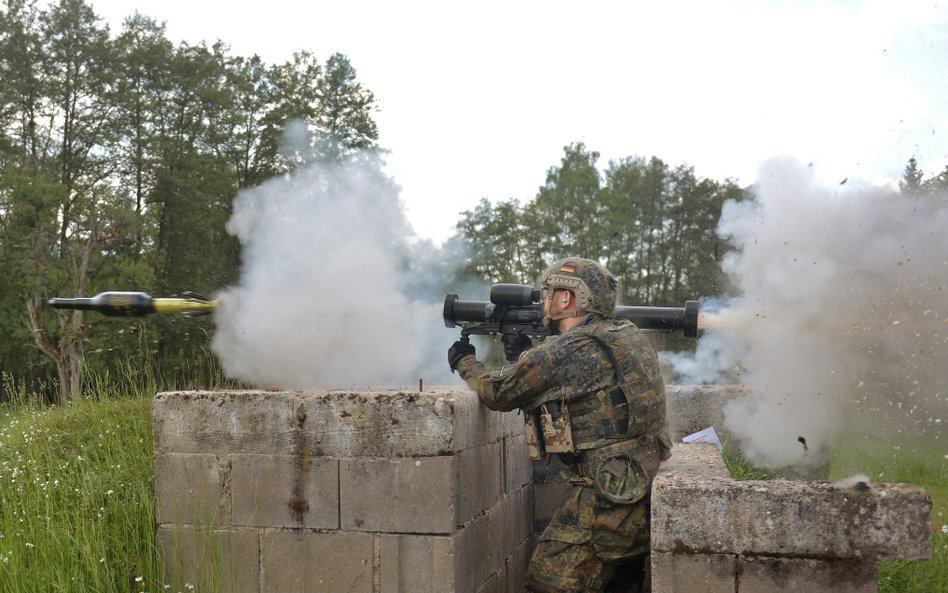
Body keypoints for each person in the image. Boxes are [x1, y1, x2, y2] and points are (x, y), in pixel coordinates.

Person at [448, 257, 671, 593]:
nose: (543, 302)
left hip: (605, 505)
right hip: (634, 490)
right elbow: (575, 380)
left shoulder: (568, 349)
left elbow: (497, 392)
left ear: (567, 299)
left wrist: (465, 361)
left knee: (544, 582)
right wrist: (525, 354)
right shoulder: (625, 335)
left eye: (548, 293)